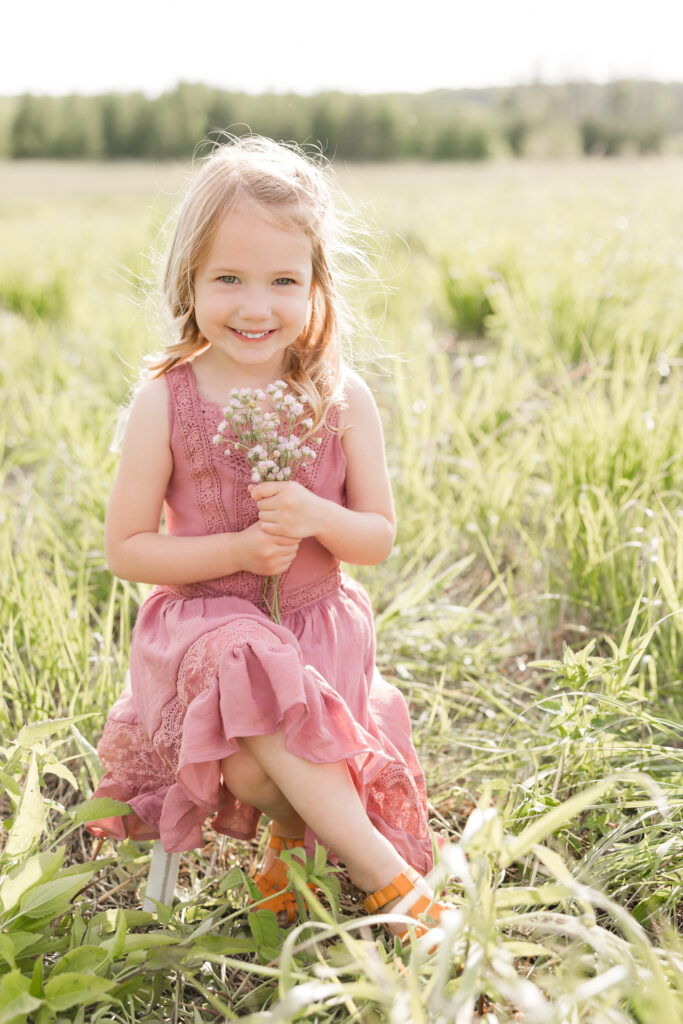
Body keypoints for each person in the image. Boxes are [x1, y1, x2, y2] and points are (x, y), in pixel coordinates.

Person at [88, 135, 451, 940]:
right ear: (189, 282)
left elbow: (377, 538)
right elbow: (127, 550)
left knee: (261, 760)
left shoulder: (341, 395)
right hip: (203, 642)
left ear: (318, 284)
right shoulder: (165, 401)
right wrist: (240, 554)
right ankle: (384, 879)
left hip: (318, 634)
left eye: (283, 281)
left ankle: (291, 838)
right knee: (250, 660)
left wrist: (317, 518)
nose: (255, 307)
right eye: (228, 280)